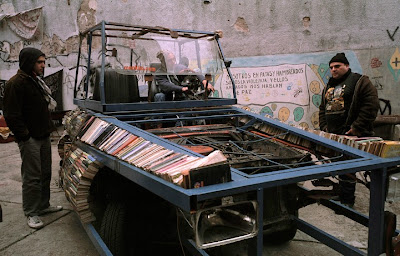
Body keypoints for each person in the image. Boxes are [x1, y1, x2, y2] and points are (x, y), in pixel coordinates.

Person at [3, 47, 62, 229]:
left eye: (44, 62)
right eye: (39, 62)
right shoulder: (16, 83)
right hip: (30, 139)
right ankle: (31, 212)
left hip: (43, 135)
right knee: (32, 177)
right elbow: (11, 115)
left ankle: (43, 206)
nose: (43, 65)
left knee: (45, 173)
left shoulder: (35, 81)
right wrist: (25, 137)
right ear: (29, 62)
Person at [319, 52, 379, 207]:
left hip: (353, 135)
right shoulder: (329, 86)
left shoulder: (359, 81)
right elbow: (322, 109)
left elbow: (371, 105)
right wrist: (324, 127)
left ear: (347, 66)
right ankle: (342, 196)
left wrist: (356, 128)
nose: (333, 69)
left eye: (337, 66)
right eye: (331, 67)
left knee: (350, 168)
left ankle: (348, 201)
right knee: (340, 167)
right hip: (335, 135)